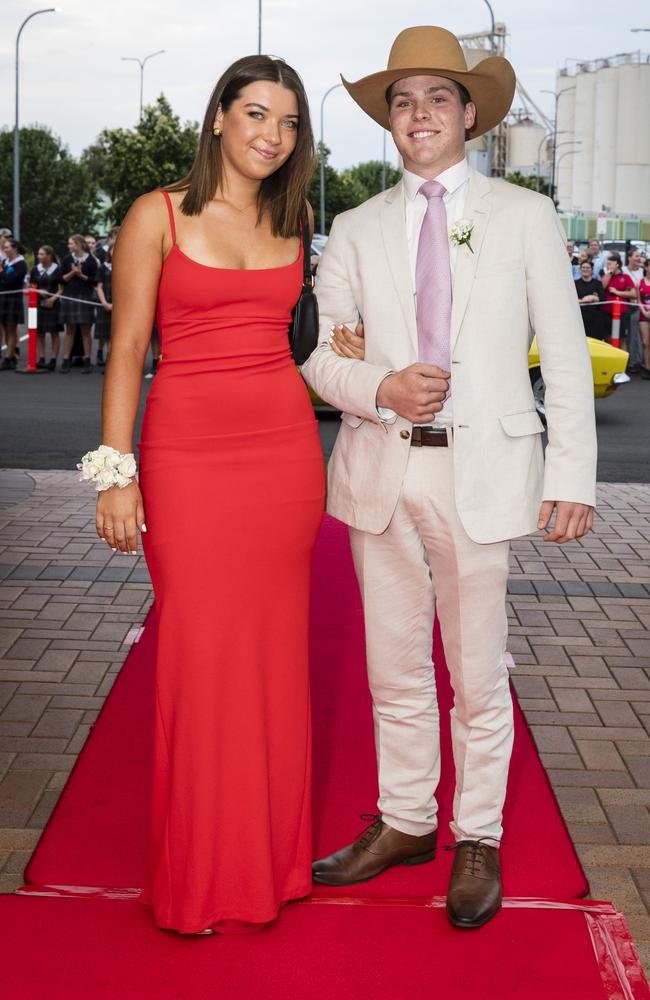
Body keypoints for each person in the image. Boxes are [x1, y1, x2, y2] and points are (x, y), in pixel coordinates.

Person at [303, 25, 596, 930]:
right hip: (379, 471)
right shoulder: (350, 230)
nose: (419, 113)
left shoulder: (525, 215)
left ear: (470, 115)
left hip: (484, 474)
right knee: (394, 672)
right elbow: (323, 355)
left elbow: (569, 354)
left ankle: (478, 835)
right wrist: (379, 386)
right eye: (402, 100)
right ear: (388, 123)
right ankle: (406, 821)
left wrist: (573, 475)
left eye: (437, 97)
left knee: (476, 673)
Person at [84, 54, 324, 936]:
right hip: (187, 458)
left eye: (289, 122)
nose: (272, 134)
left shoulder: (293, 216)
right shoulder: (156, 214)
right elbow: (126, 350)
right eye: (257, 113)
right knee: (196, 651)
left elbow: (301, 340)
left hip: (285, 459)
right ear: (220, 115)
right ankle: (200, 875)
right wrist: (117, 474)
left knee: (270, 660)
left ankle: (267, 865)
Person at [59, 234, 98, 373]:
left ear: (79, 245)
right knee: (69, 330)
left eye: (71, 244)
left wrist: (81, 275)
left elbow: (94, 281)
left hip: (85, 296)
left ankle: (87, 360)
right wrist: (72, 273)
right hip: (70, 295)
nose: (69, 246)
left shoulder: (91, 260)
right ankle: (65, 360)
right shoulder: (67, 259)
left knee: (86, 330)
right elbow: (61, 279)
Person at [30, 245, 63, 370]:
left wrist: (52, 299)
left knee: (54, 332)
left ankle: (53, 360)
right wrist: (38, 291)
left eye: (42, 254)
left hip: (53, 303)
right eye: (38, 254)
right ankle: (42, 358)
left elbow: (62, 289)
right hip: (38, 304)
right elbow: (32, 286)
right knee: (39, 332)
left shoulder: (58, 269)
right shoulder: (35, 270)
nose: (39, 256)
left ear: (49, 256)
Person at [0, 238, 27, 370]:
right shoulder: (5, 261)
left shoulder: (20, 264)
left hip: (13, 298)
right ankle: (9, 356)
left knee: (11, 329)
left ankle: (8, 357)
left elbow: (11, 280)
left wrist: (1, 272)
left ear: (14, 248)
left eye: (7, 247)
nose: (5, 250)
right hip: (3, 297)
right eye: (4, 248)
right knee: (5, 327)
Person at [602, 252, 636, 347]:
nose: (608, 266)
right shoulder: (606, 276)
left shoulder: (625, 277)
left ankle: (623, 361)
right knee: (608, 339)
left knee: (622, 340)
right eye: (607, 264)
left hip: (622, 313)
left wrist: (617, 292)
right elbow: (601, 287)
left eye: (610, 264)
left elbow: (634, 294)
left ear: (617, 264)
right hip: (607, 312)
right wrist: (609, 272)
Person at [623, 247, 644, 371]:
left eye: (639, 256)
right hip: (628, 307)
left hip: (640, 307)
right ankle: (631, 362)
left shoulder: (642, 271)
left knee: (639, 337)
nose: (638, 258)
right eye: (636, 256)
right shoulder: (624, 270)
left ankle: (638, 361)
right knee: (629, 336)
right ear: (629, 257)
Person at [575, 258, 605, 340]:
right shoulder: (575, 284)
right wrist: (584, 300)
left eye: (588, 268)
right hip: (580, 318)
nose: (585, 269)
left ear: (592, 270)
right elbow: (571, 300)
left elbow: (602, 298)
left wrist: (593, 297)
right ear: (580, 269)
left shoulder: (598, 284)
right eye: (583, 267)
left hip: (595, 319)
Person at [94, 244, 113, 367]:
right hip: (104, 304)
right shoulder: (103, 267)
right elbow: (99, 287)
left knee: (114, 335)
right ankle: (103, 356)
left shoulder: (127, 266)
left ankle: (111, 362)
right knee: (105, 334)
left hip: (120, 305)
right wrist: (104, 303)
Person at [639, 256, 650, 379]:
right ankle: (647, 367)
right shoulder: (640, 282)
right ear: (646, 267)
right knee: (645, 342)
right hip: (644, 315)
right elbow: (638, 300)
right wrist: (644, 311)